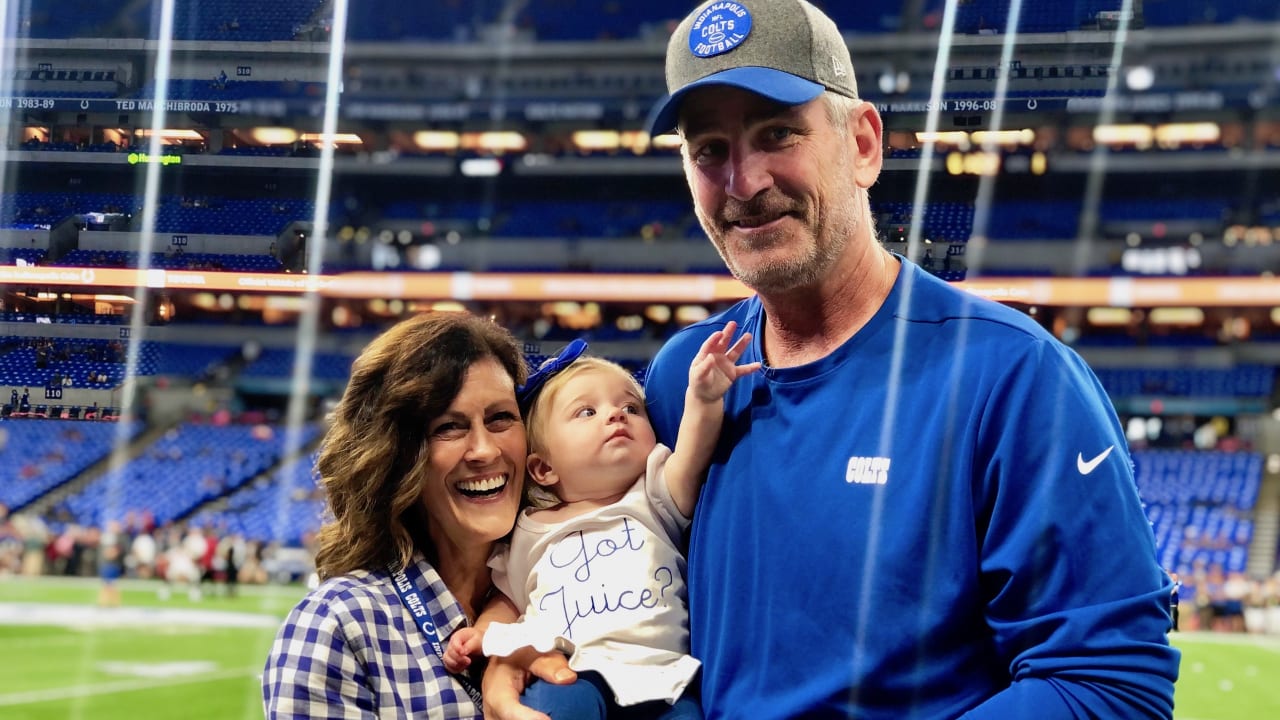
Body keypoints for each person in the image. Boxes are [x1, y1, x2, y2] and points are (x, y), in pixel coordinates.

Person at [484, 1, 1180, 719]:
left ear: (864, 145)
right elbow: (591, 564)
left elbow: (1108, 686)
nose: (744, 183)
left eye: (776, 133)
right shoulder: (682, 376)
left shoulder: (1016, 379)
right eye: (709, 151)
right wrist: (513, 647)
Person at [446, 326, 757, 719]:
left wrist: (703, 397)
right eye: (586, 412)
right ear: (543, 468)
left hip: (662, 679)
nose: (615, 414)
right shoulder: (528, 528)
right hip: (573, 670)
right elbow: (509, 600)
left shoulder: (655, 495)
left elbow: (693, 450)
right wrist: (482, 634)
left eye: (632, 408)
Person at [262, 312, 529, 718]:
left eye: (501, 418)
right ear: (397, 457)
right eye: (449, 427)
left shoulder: (567, 590)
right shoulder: (338, 625)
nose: (485, 450)